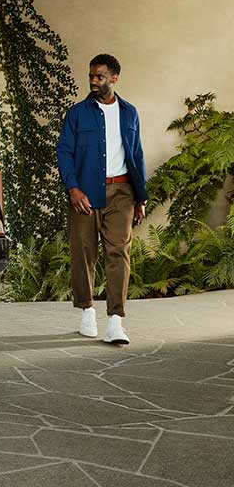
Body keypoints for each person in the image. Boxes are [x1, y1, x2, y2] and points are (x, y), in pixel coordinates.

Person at [55, 54, 147, 344]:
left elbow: (137, 155)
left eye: (101, 77)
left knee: (119, 253)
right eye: (92, 76)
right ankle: (86, 313)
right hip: (85, 193)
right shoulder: (77, 114)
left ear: (115, 78)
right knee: (84, 254)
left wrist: (141, 197)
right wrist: (73, 188)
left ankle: (116, 322)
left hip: (122, 193)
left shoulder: (129, 113)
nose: (94, 81)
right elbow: (64, 152)